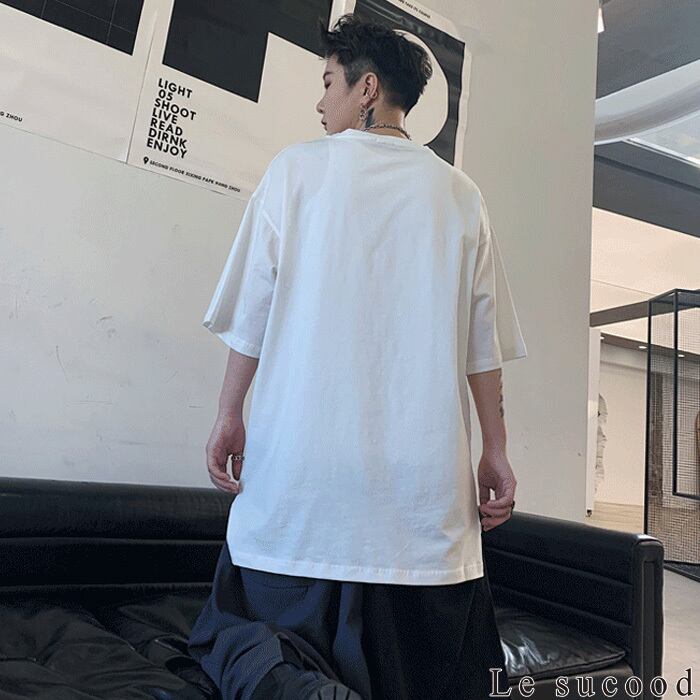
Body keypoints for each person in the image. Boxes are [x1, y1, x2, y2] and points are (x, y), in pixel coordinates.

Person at [187, 13, 527, 700]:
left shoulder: (294, 173)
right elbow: (481, 349)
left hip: (302, 489)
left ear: (367, 88)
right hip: (419, 506)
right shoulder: (462, 198)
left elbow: (251, 318)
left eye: (328, 83)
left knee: (242, 647)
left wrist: (228, 413)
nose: (320, 102)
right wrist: (495, 450)